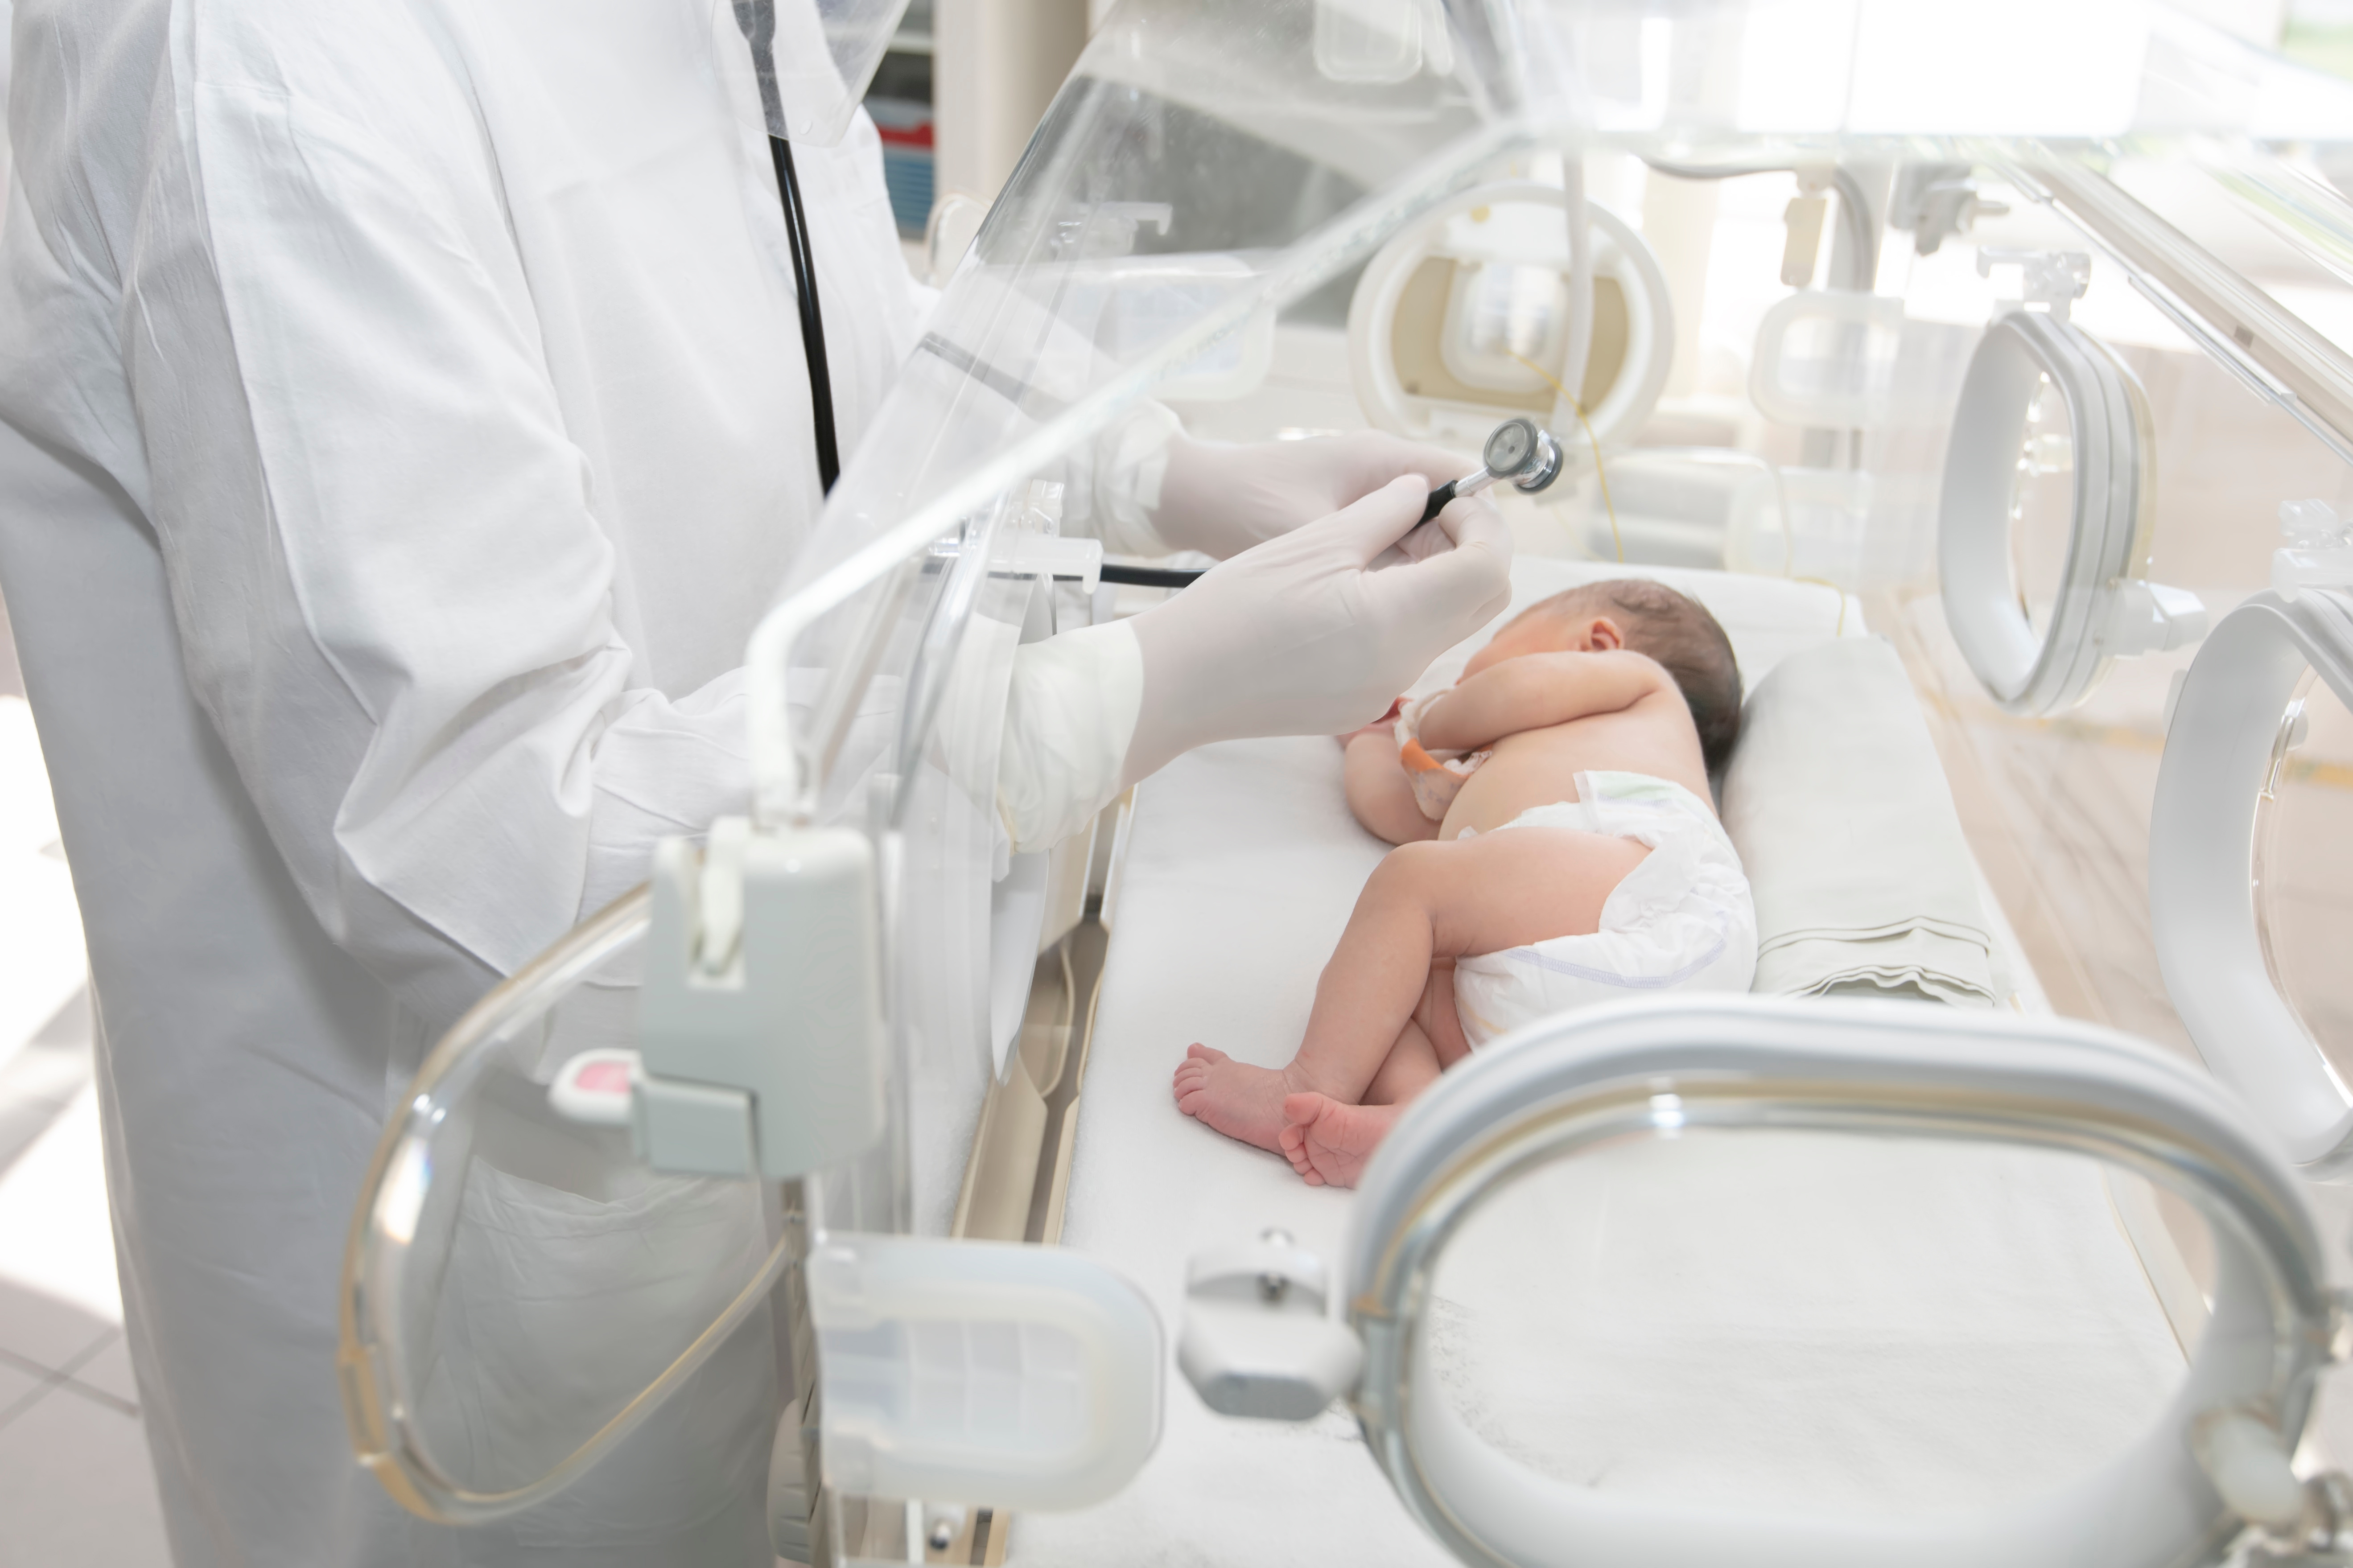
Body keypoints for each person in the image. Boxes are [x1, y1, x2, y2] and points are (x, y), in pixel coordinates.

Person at [0, 0, 1510, 1563]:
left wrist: (1144, 464)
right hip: (476, 1224)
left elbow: (803, 309)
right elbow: (504, 857)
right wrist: (1128, 696)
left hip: (779, 1086)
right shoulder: (270, 52)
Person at [1172, 581, 1756, 1188]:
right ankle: (1420, 1114)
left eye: (1490, 651)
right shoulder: (1483, 775)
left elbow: (1512, 693)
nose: (1463, 680)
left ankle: (1307, 1082)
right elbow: (1388, 808)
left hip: (1655, 897)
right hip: (1550, 1039)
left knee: (1411, 880)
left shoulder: (1635, 684)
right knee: (1383, 978)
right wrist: (1370, 737)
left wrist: (1432, 717)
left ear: (1596, 643)